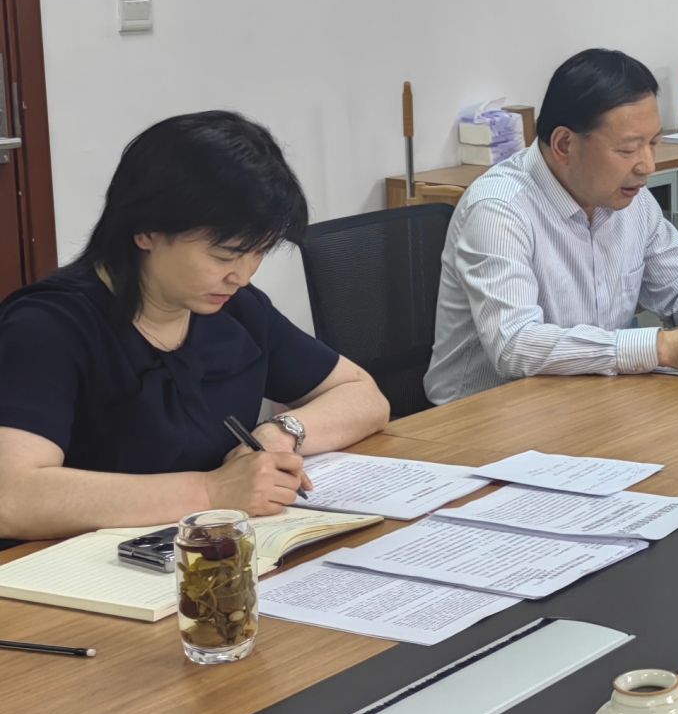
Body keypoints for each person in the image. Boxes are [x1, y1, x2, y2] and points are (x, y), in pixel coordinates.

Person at [0, 112, 391, 543]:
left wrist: (281, 434)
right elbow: (13, 497)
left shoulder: (235, 309)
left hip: (209, 554)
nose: (242, 275)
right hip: (71, 570)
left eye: (258, 253)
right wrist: (210, 492)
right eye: (224, 256)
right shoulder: (47, 327)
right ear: (146, 231)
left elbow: (363, 395)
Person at [426, 48, 678, 404]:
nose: (647, 166)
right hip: (478, 420)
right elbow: (515, 344)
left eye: (653, 143)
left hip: (585, 397)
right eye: (628, 149)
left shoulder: (627, 198)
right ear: (564, 144)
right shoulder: (499, 210)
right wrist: (661, 347)